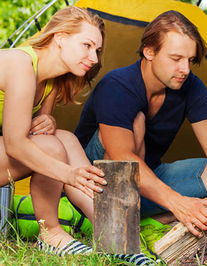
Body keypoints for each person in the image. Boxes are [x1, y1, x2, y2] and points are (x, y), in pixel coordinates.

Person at [74, 10, 207, 237]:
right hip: (95, 182)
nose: (185, 70)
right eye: (176, 59)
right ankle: (119, 219)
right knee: (137, 121)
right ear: (149, 52)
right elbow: (120, 155)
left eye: (189, 60)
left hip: (146, 177)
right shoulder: (118, 85)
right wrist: (177, 202)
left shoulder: (192, 87)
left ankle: (151, 221)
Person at [0, 6, 106, 254]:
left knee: (64, 138)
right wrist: (68, 174)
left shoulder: (52, 81)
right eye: (87, 45)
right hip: (9, 146)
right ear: (61, 38)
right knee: (51, 146)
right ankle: (50, 232)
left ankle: (112, 227)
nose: (94, 58)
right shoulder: (20, 64)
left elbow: (35, 128)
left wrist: (48, 120)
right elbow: (16, 143)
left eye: (97, 50)